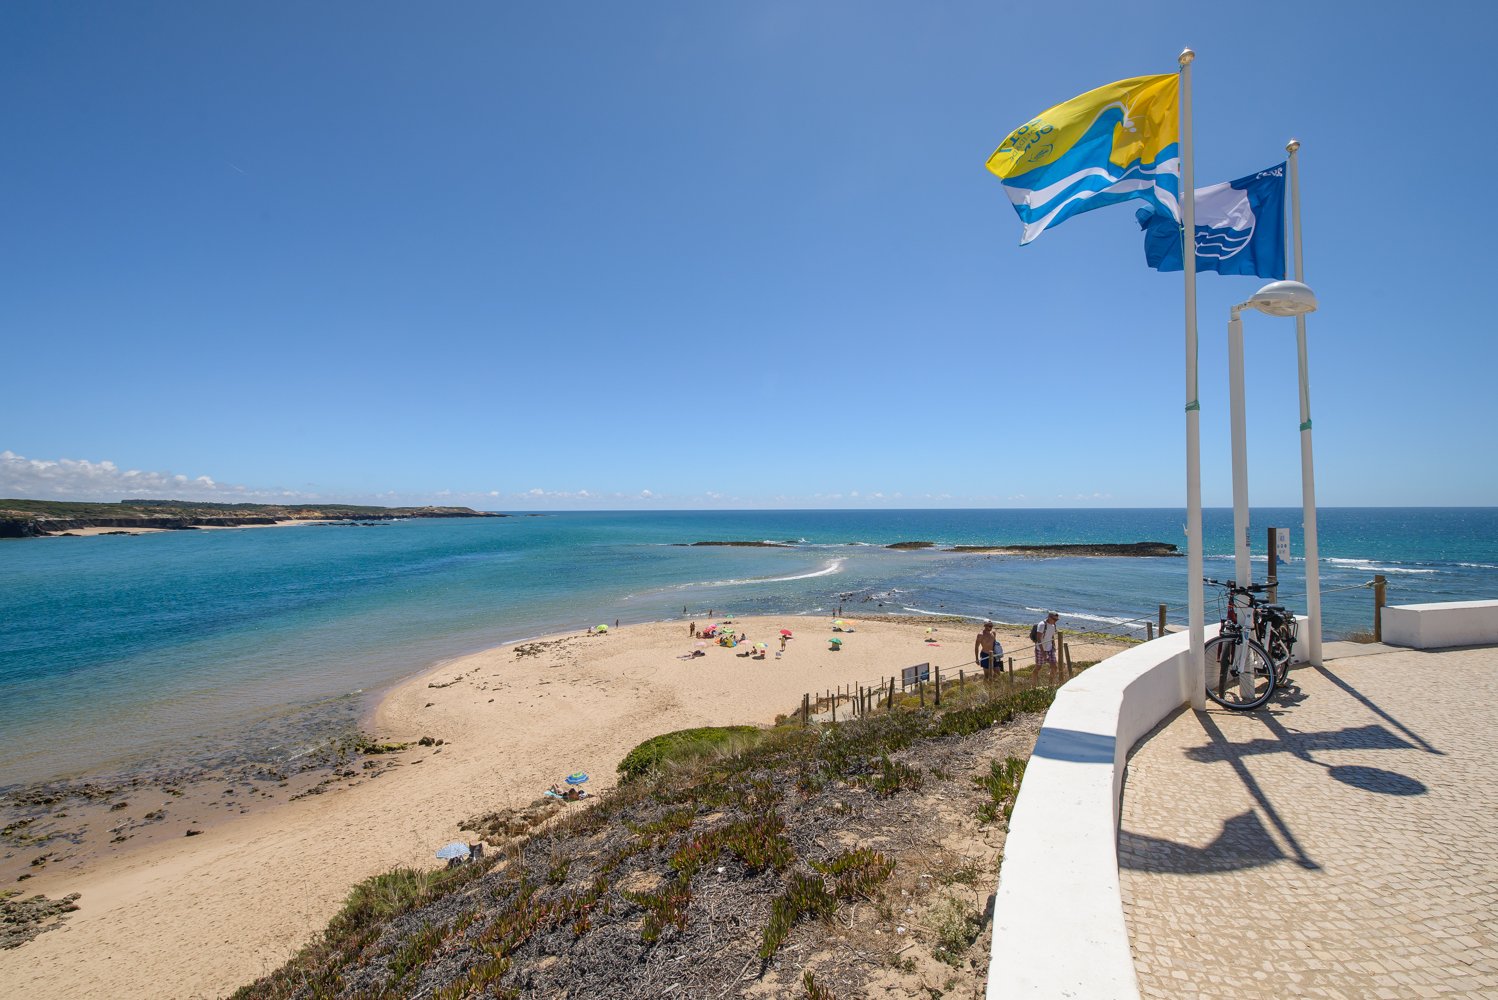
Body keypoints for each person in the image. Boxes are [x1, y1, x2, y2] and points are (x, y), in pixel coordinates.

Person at [1034, 612, 1060, 679]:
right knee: (1038, 667)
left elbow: (1052, 636)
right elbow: (1038, 639)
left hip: (1050, 649)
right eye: (1054, 619)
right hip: (1040, 649)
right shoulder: (1042, 624)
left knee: (1054, 667)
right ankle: (1033, 683)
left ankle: (1050, 684)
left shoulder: (1053, 625)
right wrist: (1043, 652)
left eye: (1057, 620)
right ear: (1049, 617)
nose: (1055, 621)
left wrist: (1054, 646)